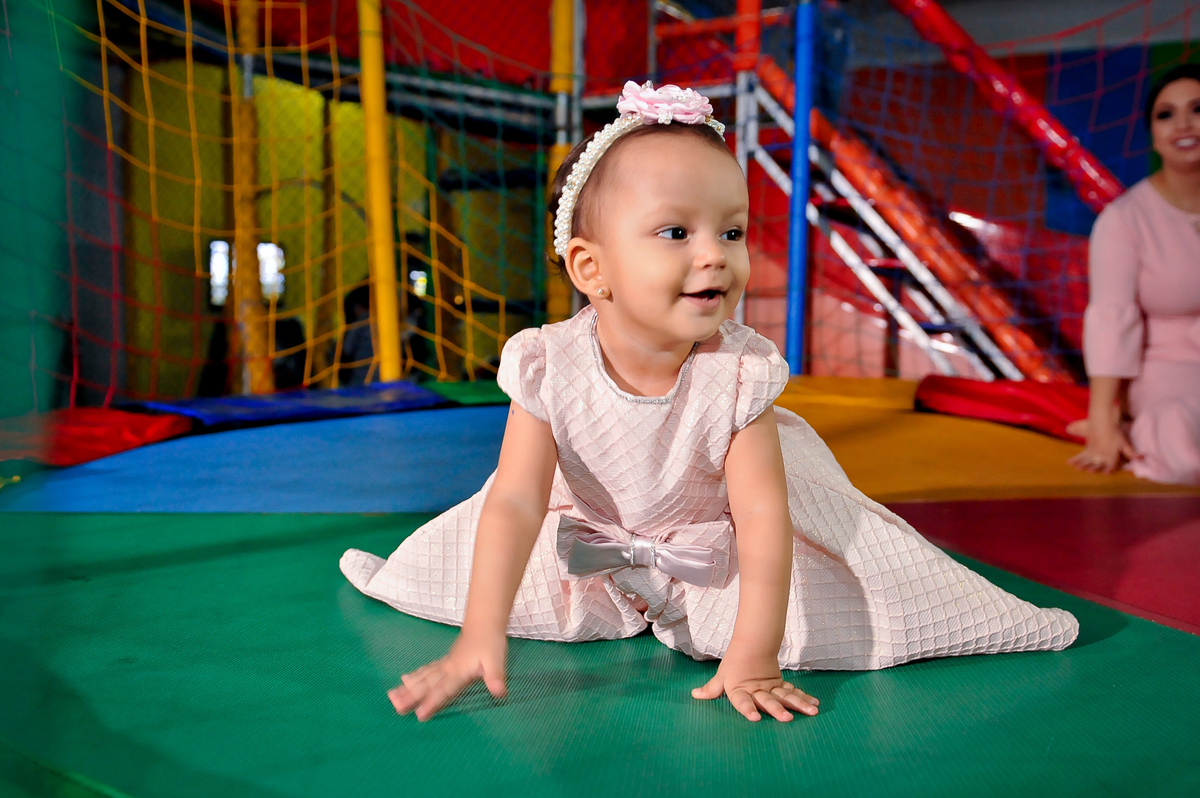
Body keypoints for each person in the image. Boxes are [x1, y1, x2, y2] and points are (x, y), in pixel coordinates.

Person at [340, 82, 1078, 724]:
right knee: (446, 576)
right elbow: (514, 501)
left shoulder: (737, 373)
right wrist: (480, 632)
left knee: (853, 612)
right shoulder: (548, 363)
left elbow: (761, 519)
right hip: (587, 541)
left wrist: (755, 653)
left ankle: (1002, 621)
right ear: (591, 269)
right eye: (676, 232)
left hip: (719, 548)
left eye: (732, 230)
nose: (714, 254)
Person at [1069, 63, 1200, 485]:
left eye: (1198, 109)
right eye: (1166, 114)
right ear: (1154, 135)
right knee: (1183, 450)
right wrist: (1101, 419)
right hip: (1166, 371)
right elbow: (1111, 317)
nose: (1184, 124)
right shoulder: (1124, 219)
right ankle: (1136, 429)